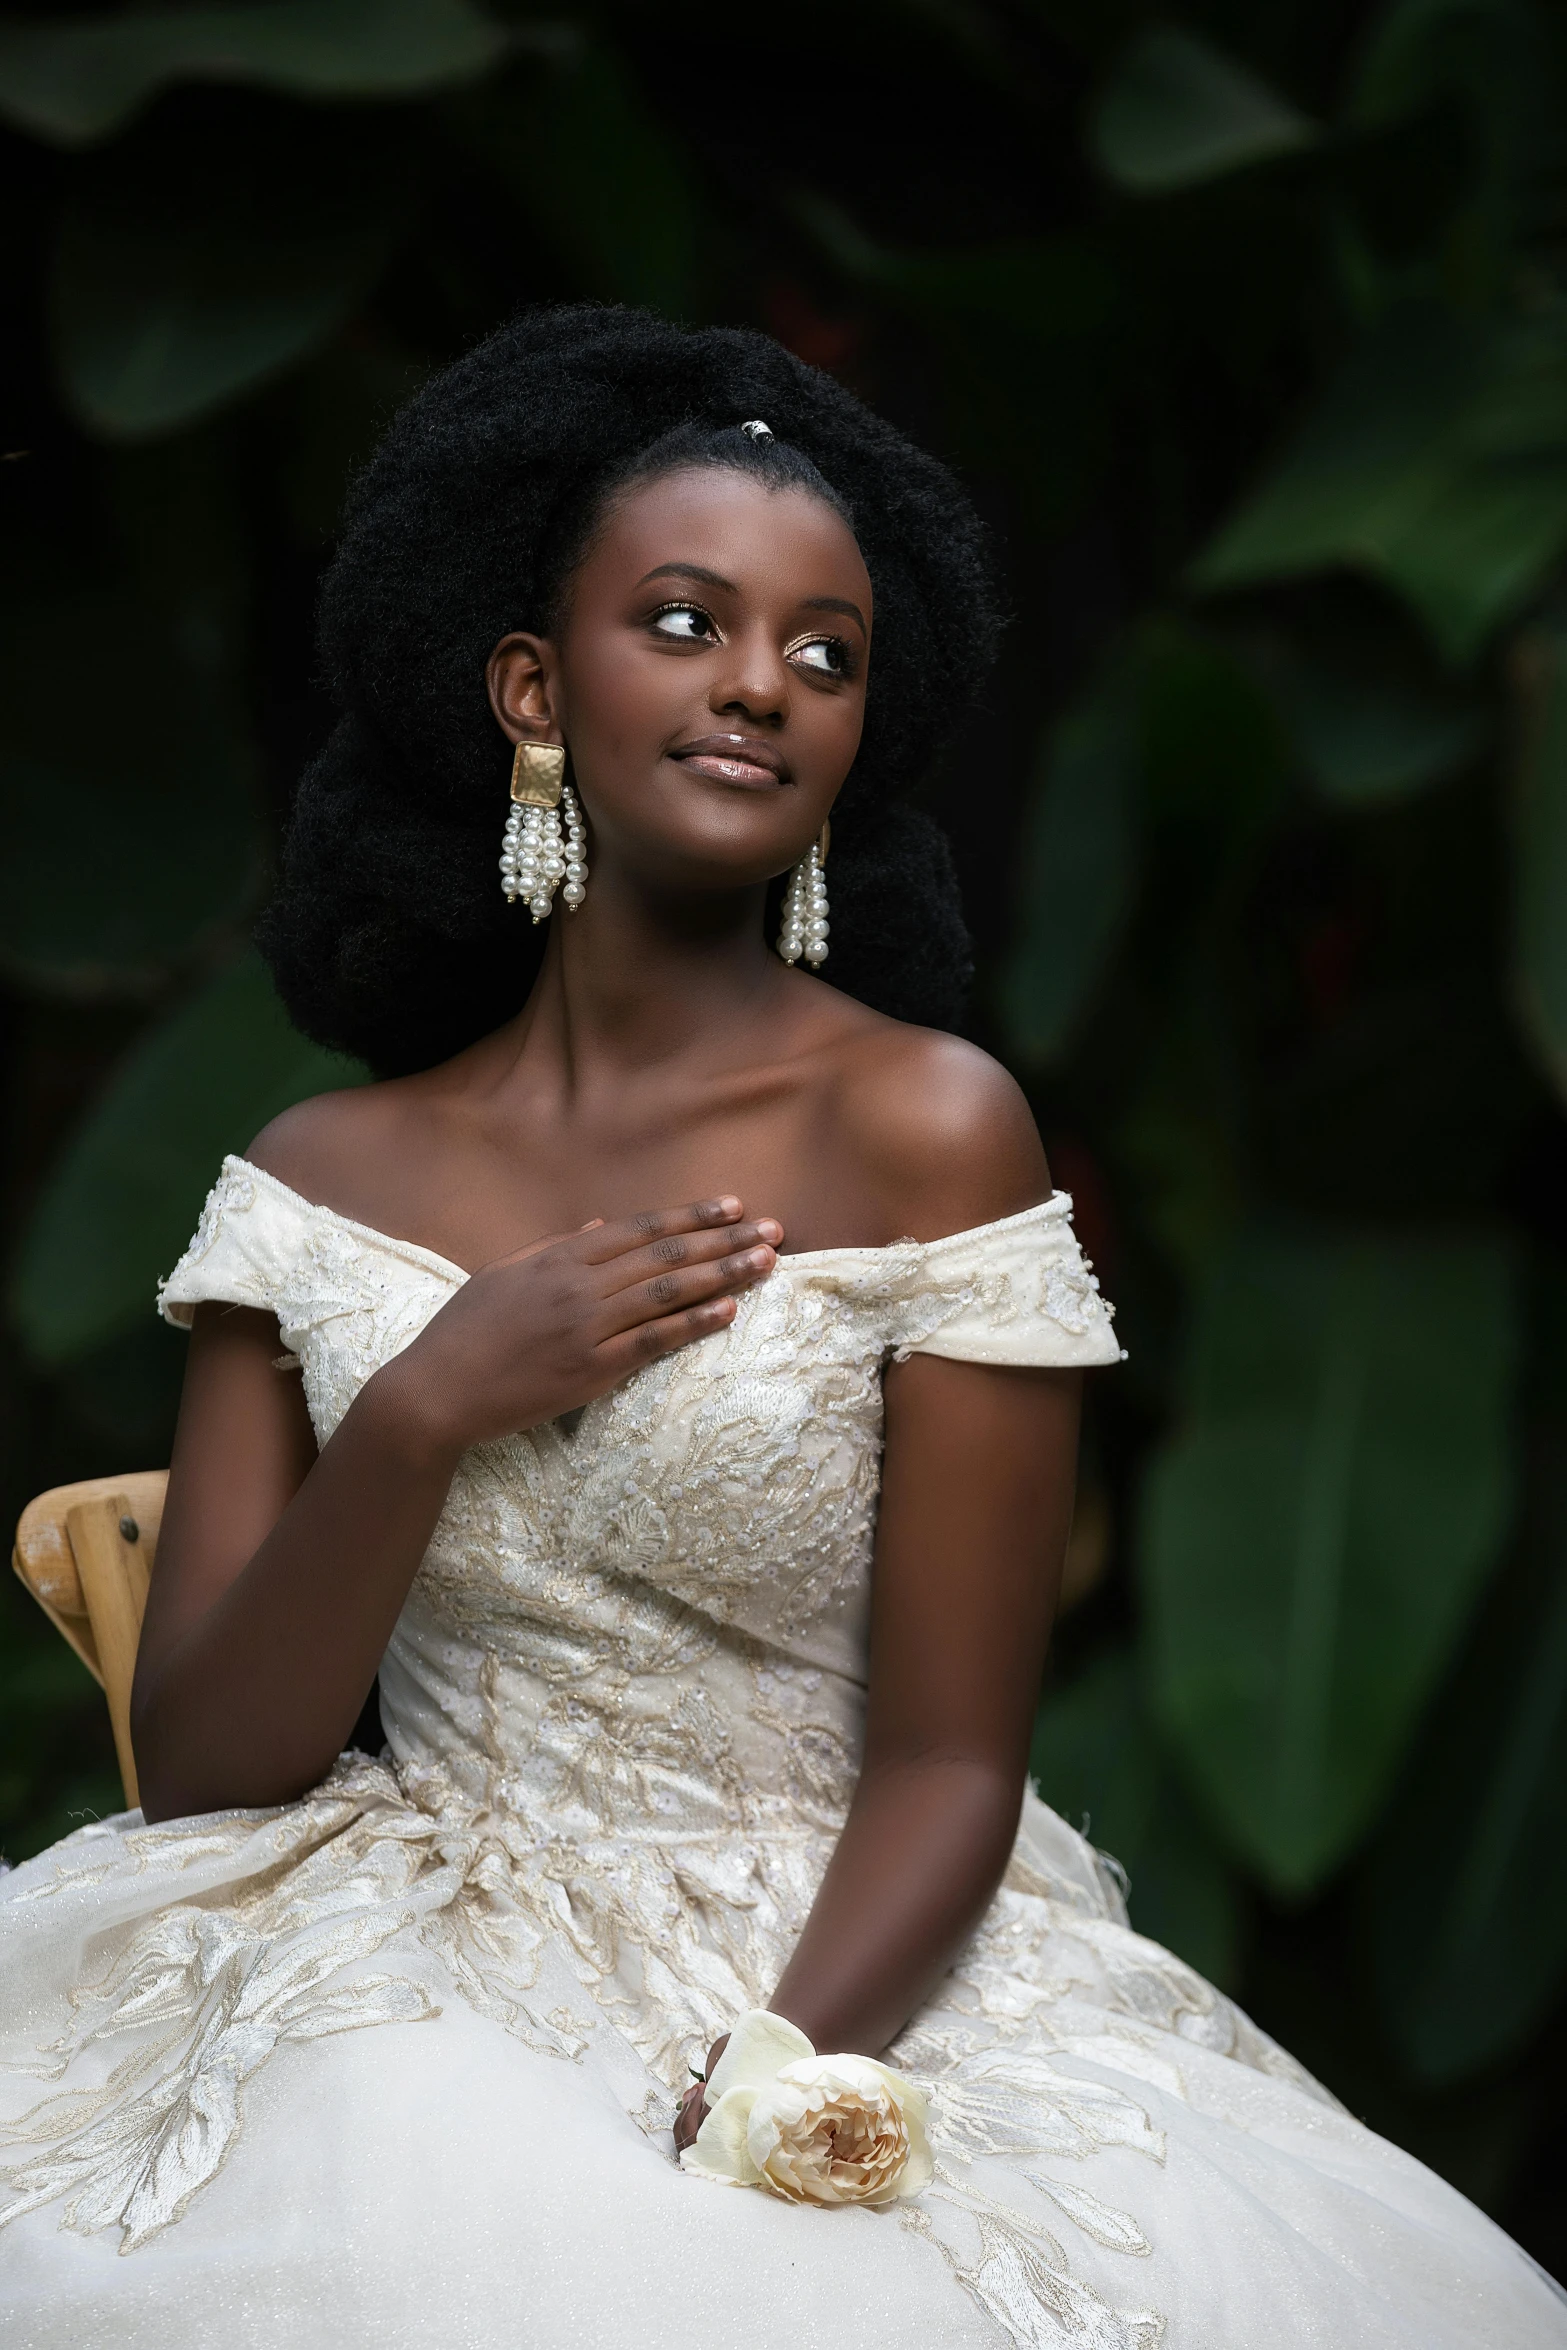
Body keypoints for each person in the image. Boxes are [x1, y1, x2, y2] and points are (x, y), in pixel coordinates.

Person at [1, 306, 1560, 2350]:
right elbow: (207, 1769)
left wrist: (767, 2076)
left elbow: (949, 1753)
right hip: (388, 1967)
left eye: (824, 652)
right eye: (686, 619)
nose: (761, 682)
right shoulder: (322, 1175)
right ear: (531, 687)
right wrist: (429, 1403)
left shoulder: (923, 1124)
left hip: (837, 1957)